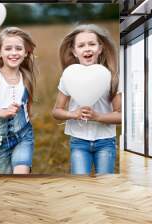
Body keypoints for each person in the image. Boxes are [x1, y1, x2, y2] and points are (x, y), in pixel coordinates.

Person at [52, 24, 121, 175]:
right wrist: (73, 114)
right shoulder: (69, 76)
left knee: (104, 184)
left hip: (105, 141)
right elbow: (56, 111)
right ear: (74, 52)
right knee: (80, 184)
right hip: (78, 141)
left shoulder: (111, 77)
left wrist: (98, 117)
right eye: (81, 45)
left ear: (100, 48)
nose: (87, 48)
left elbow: (121, 115)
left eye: (92, 44)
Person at [0, 27, 38, 174]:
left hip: (23, 135)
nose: (13, 53)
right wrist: (3, 112)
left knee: (21, 174)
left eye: (18, 48)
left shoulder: (25, 77)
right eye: (8, 48)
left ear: (26, 53)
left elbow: (27, 105)